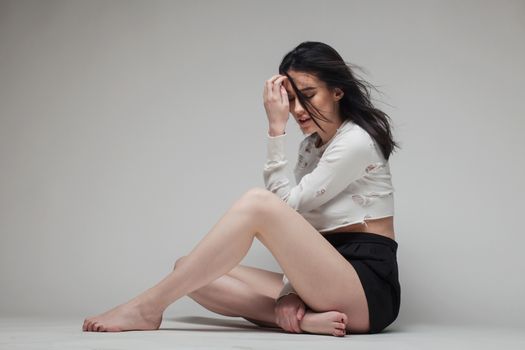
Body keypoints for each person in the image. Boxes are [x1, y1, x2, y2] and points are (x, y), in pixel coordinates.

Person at [82, 41, 401, 337]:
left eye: (308, 94)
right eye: (290, 99)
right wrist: (291, 293)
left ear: (337, 91)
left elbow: (285, 207)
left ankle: (147, 308)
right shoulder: (311, 146)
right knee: (190, 271)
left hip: (366, 287)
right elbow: (302, 228)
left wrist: (276, 130)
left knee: (257, 204)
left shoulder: (355, 140)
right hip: (325, 273)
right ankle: (299, 321)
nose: (298, 109)